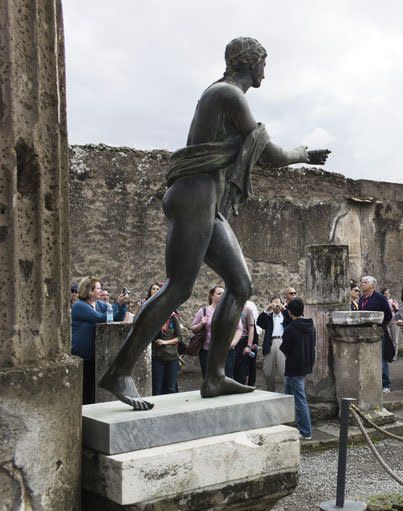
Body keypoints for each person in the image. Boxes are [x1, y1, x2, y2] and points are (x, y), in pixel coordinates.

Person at [98, 37, 330, 410]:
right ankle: (119, 372)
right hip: (194, 197)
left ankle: (215, 377)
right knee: (177, 289)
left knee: (240, 284)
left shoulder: (223, 96)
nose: (265, 70)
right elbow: (267, 154)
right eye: (263, 62)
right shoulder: (228, 95)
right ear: (249, 62)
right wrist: (304, 153)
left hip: (206, 200)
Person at [71, 276, 128, 404]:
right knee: (85, 390)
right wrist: (117, 304)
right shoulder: (79, 306)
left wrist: (123, 304)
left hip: (96, 354)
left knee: (93, 389)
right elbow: (102, 318)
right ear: (89, 290)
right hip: (83, 355)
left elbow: (117, 317)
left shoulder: (100, 304)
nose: (101, 291)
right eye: (98, 288)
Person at [279, 298, 316, 440]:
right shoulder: (310, 326)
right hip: (306, 363)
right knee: (288, 394)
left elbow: (285, 348)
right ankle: (287, 423)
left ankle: (306, 431)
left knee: (300, 399)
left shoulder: (290, 329)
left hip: (294, 366)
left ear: (289, 312)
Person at [357, 276, 394, 391]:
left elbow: (388, 315)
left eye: (365, 282)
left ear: (372, 285)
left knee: (381, 359)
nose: (362, 284)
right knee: (367, 358)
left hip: (378, 331)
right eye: (362, 282)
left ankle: (385, 384)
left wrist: (381, 325)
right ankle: (371, 382)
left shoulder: (380, 298)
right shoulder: (362, 299)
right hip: (365, 332)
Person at [149, 282, 183, 395]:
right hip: (157, 356)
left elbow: (179, 337)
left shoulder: (173, 318)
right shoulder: (152, 316)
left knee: (171, 388)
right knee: (157, 388)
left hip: (172, 357)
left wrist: (165, 342)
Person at [258, 296, 289, 391]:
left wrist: (284, 309)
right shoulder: (268, 316)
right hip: (270, 343)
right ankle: (270, 392)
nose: (276, 306)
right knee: (268, 371)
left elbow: (292, 321)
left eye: (278, 303)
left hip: (282, 342)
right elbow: (259, 323)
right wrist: (267, 309)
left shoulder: (286, 315)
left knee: (284, 370)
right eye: (274, 303)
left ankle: (288, 393)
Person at [234, 299, 260, 386]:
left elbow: (252, 328)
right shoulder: (228, 309)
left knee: (242, 370)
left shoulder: (247, 309)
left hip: (242, 341)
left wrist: (249, 345)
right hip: (229, 342)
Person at [382, 288, 401, 361]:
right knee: (387, 337)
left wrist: (394, 306)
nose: (387, 295)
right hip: (386, 320)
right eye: (385, 293)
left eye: (388, 293)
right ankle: (388, 354)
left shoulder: (394, 301)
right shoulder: (382, 301)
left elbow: (398, 310)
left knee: (395, 338)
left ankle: (394, 355)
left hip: (394, 320)